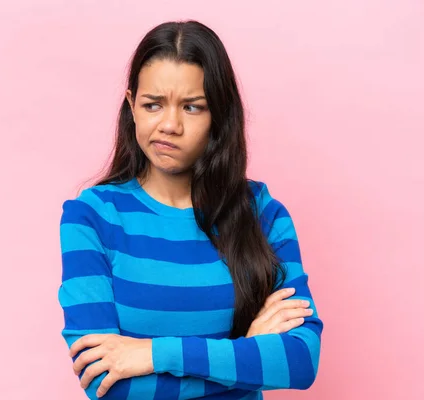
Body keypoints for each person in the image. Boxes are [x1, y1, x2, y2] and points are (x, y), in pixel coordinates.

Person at [58, 20, 323, 400]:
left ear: (218, 114)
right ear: (132, 106)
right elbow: (107, 383)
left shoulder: (264, 214)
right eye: (153, 105)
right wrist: (245, 354)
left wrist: (151, 353)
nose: (169, 125)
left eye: (192, 107)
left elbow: (300, 361)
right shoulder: (91, 218)